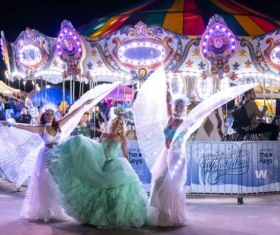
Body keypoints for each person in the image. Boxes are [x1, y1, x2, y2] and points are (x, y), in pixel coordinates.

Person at [39, 116, 148, 228]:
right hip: (102, 164)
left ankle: (113, 217)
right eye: (116, 123)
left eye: (119, 124)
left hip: (115, 164)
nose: (117, 126)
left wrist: (128, 169)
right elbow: (99, 150)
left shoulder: (122, 139)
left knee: (115, 190)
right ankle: (99, 217)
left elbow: (125, 155)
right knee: (98, 187)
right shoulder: (105, 135)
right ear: (113, 124)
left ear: (121, 126)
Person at [18, 100, 92, 222]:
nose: (50, 115)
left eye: (52, 113)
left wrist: (83, 105)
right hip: (46, 156)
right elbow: (26, 127)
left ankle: (59, 209)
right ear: (44, 116)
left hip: (58, 155)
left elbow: (72, 114)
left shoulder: (58, 124)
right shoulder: (41, 128)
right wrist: (12, 124)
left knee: (58, 183)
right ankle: (44, 211)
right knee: (45, 183)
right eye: (47, 114)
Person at [149, 81, 187, 227]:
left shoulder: (183, 122)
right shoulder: (170, 119)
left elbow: (178, 140)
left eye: (180, 106)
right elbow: (167, 101)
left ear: (184, 108)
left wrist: (172, 146)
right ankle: (162, 216)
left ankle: (169, 217)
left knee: (170, 185)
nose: (177, 107)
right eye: (176, 105)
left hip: (176, 155)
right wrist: (168, 87)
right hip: (166, 155)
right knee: (159, 180)